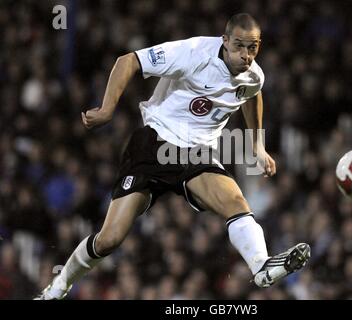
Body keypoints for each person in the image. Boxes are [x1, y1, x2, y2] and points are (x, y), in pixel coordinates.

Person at [35, 13, 310, 300]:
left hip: (197, 154)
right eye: (239, 46)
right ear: (224, 41)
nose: (246, 54)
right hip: (155, 145)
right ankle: (58, 287)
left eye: (252, 47)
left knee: (236, 201)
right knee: (109, 240)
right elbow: (128, 61)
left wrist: (258, 145)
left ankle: (261, 267)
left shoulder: (254, 75)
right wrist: (106, 109)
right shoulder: (193, 53)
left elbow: (253, 94)